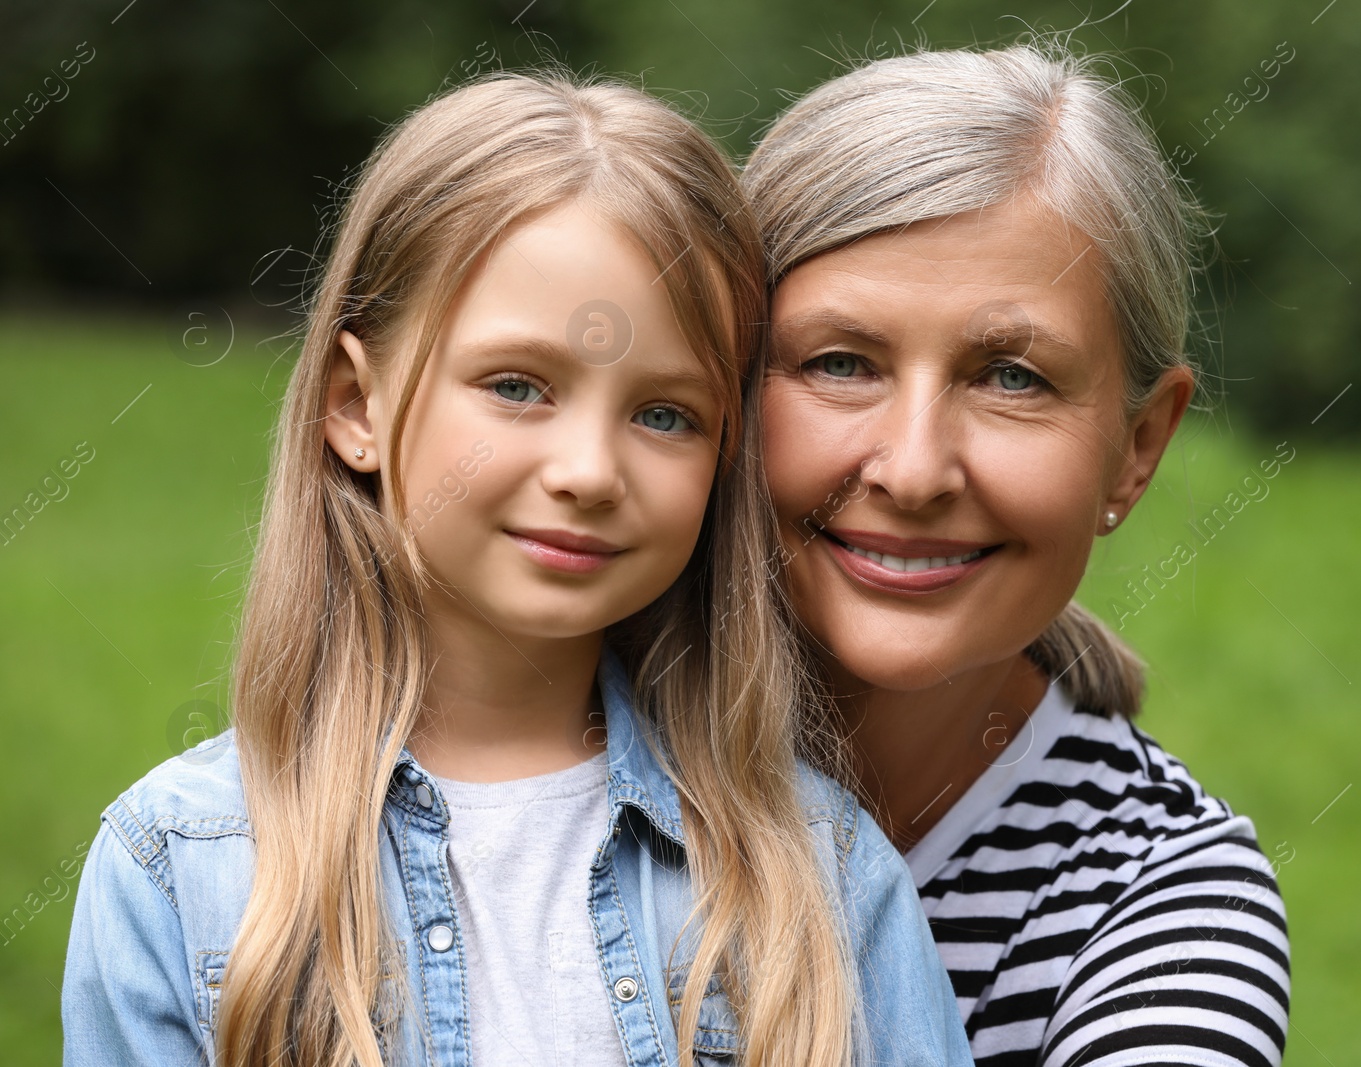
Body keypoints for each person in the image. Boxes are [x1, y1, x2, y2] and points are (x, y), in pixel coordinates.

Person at [61, 71, 972, 1067]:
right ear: (355, 406)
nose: (588, 471)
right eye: (517, 386)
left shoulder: (822, 875)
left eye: (664, 412)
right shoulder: (180, 868)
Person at [744, 43, 1291, 1067]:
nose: (912, 471)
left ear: (1136, 447)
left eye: (1010, 377)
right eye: (840, 362)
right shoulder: (522, 752)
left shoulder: (1160, 894)